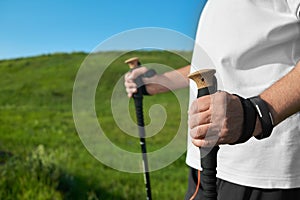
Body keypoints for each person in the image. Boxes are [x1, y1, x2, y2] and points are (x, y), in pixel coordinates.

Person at [124, 0, 300, 199]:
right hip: (205, 163)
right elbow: (212, 64)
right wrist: (159, 82)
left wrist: (256, 113)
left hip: (261, 171)